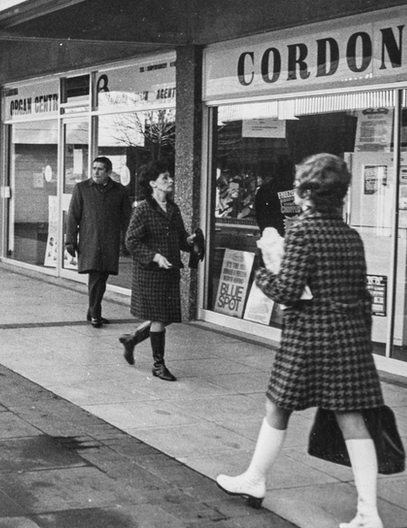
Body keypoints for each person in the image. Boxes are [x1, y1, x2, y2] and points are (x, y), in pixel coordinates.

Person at [216, 154, 385, 528]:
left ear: (306, 193)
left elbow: (289, 291)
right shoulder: (350, 234)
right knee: (353, 420)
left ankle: (255, 479)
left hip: (308, 339)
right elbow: (359, 293)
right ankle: (368, 513)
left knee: (277, 407)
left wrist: (261, 271)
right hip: (349, 339)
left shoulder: (304, 232)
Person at [123, 161, 195, 381]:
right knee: (159, 319)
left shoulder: (173, 209)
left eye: (170, 177)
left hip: (170, 271)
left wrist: (190, 240)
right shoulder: (143, 209)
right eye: (165, 178)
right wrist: (154, 256)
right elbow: (131, 241)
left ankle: (133, 339)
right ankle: (158, 365)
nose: (170, 180)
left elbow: (180, 238)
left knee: (165, 317)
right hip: (150, 274)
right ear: (153, 183)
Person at [66, 156, 132, 327]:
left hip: (110, 242)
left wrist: (128, 241)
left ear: (108, 172)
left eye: (100, 169)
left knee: (102, 277)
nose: (96, 172)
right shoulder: (82, 189)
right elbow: (73, 216)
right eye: (94, 168)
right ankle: (95, 313)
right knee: (95, 276)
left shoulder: (119, 191)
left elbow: (127, 219)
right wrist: (70, 241)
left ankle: (92, 310)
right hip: (90, 241)